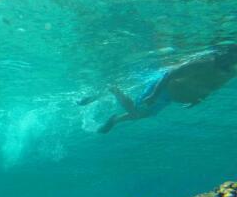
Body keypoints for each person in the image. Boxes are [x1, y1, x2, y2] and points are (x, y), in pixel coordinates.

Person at [91, 44, 237, 133]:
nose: (230, 60)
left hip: (171, 95)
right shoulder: (205, 63)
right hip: (163, 87)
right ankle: (113, 88)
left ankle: (114, 120)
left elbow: (214, 86)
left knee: (143, 114)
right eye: (230, 56)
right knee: (136, 111)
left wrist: (199, 99)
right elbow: (169, 74)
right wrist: (154, 95)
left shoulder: (231, 72)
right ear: (225, 53)